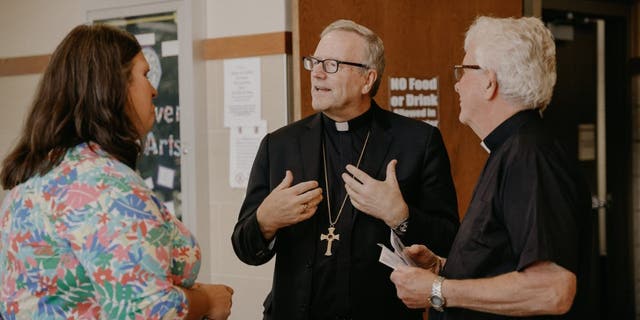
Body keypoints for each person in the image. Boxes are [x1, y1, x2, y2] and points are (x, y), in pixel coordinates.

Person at [0, 24, 233, 320]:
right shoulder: (105, 187)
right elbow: (146, 311)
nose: (154, 90)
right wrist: (207, 302)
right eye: (145, 75)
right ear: (114, 87)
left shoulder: (42, 173)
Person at [232, 19, 459, 320]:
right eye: (314, 61)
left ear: (368, 80)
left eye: (332, 64)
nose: (317, 71)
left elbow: (449, 241)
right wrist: (265, 221)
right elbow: (244, 248)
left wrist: (401, 217)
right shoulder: (280, 145)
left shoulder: (418, 142)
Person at [390, 16, 593, 320]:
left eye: (463, 71)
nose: (457, 84)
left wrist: (439, 289)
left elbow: (552, 289)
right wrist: (445, 268)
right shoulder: (512, 149)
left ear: (489, 81)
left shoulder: (529, 155)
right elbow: (505, 261)